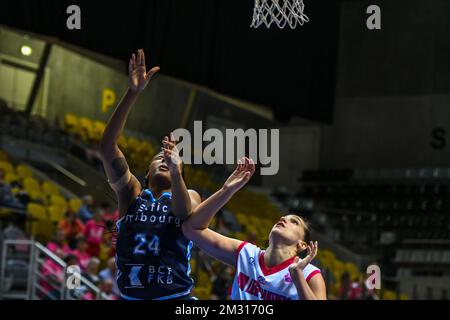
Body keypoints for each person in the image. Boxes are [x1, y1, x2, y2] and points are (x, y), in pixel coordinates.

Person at [98, 49, 201, 300]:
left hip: (176, 297)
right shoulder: (131, 193)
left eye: (172, 161)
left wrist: (177, 173)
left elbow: (182, 211)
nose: (166, 161)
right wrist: (132, 94)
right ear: (146, 173)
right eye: (160, 159)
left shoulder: (189, 194)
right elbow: (107, 148)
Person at [182, 157, 327, 300]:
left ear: (302, 245)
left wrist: (298, 277)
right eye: (283, 218)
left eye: (294, 222)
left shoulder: (310, 274)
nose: (283, 219)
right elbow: (191, 228)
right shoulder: (246, 254)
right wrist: (227, 190)